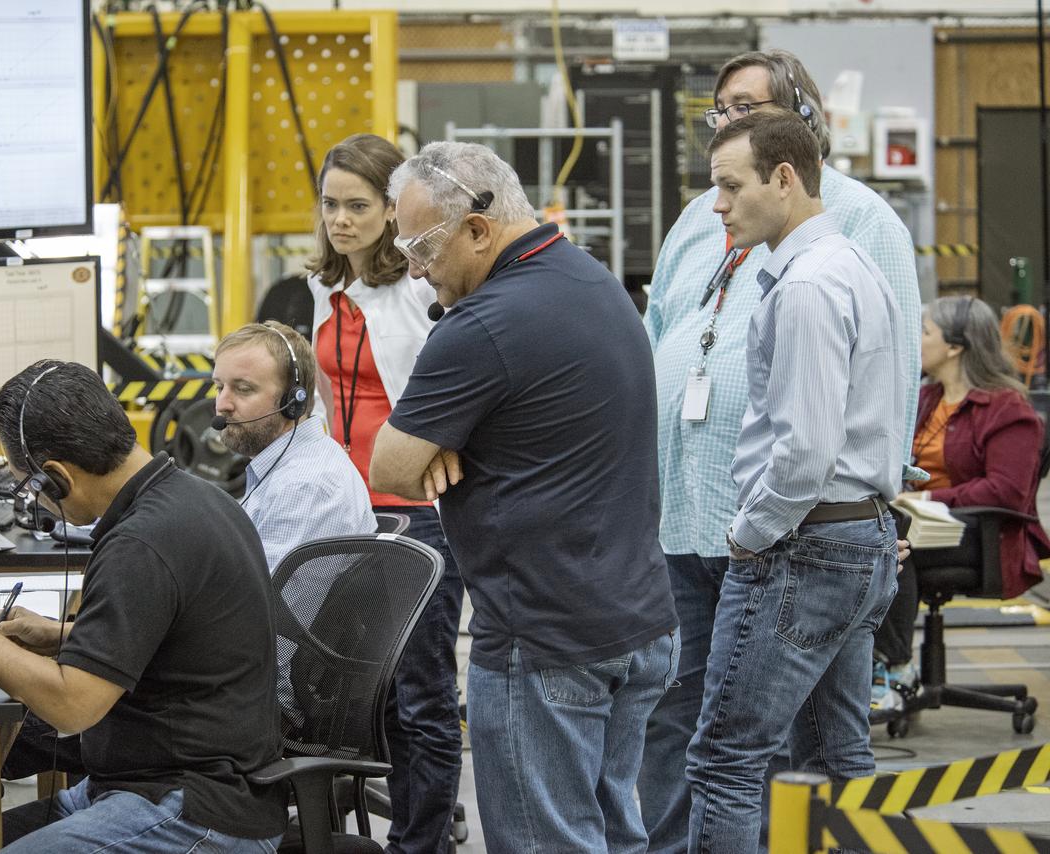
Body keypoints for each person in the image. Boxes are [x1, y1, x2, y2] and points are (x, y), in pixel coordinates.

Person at [638, 49, 923, 853]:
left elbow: (835, 422)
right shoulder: (709, 222)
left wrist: (758, 528)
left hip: (783, 529)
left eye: (747, 113)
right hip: (699, 512)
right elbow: (660, 333)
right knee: (790, 741)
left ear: (790, 160)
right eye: (719, 113)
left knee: (732, 753)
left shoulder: (836, 248)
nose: (726, 129)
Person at [369, 141, 679, 852]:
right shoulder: (594, 283)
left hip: (545, 638)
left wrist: (448, 437)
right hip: (635, 623)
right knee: (610, 833)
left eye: (421, 246)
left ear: (478, 230)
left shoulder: (482, 327)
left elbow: (390, 466)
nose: (414, 268)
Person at [0, 360, 287, 853]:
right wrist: (63, 636)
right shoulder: (197, 498)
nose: (34, 503)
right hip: (151, 783)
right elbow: (183, 637)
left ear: (57, 478)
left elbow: (72, 707)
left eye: (28, 487)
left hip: (195, 808)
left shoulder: (141, 544)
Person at [305, 133, 465, 854]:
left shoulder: (420, 292)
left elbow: (446, 403)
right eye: (331, 205)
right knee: (348, 694)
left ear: (392, 208)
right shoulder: (326, 287)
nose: (341, 220)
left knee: (420, 698)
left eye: (358, 206)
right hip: (346, 512)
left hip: (418, 518)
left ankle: (420, 843)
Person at [872, 296, 1050, 708]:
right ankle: (870, 664)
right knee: (867, 527)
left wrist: (930, 496)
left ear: (955, 346)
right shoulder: (927, 399)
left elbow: (1005, 490)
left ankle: (895, 665)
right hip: (919, 524)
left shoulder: (1007, 408)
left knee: (889, 537)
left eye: (925, 332)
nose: (916, 341)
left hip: (979, 536)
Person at [211, 320, 375, 571]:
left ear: (293, 401)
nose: (222, 404)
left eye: (243, 389)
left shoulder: (304, 486)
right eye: (219, 387)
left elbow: (260, 603)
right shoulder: (291, 463)